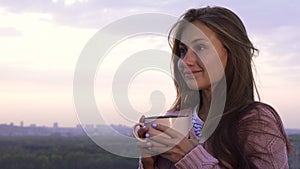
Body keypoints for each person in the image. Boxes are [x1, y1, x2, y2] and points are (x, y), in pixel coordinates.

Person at [136, 6, 291, 169]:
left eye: (200, 48)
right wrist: (148, 163)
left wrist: (189, 157)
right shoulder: (174, 118)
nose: (185, 61)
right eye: (183, 50)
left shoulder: (256, 122)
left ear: (231, 53)